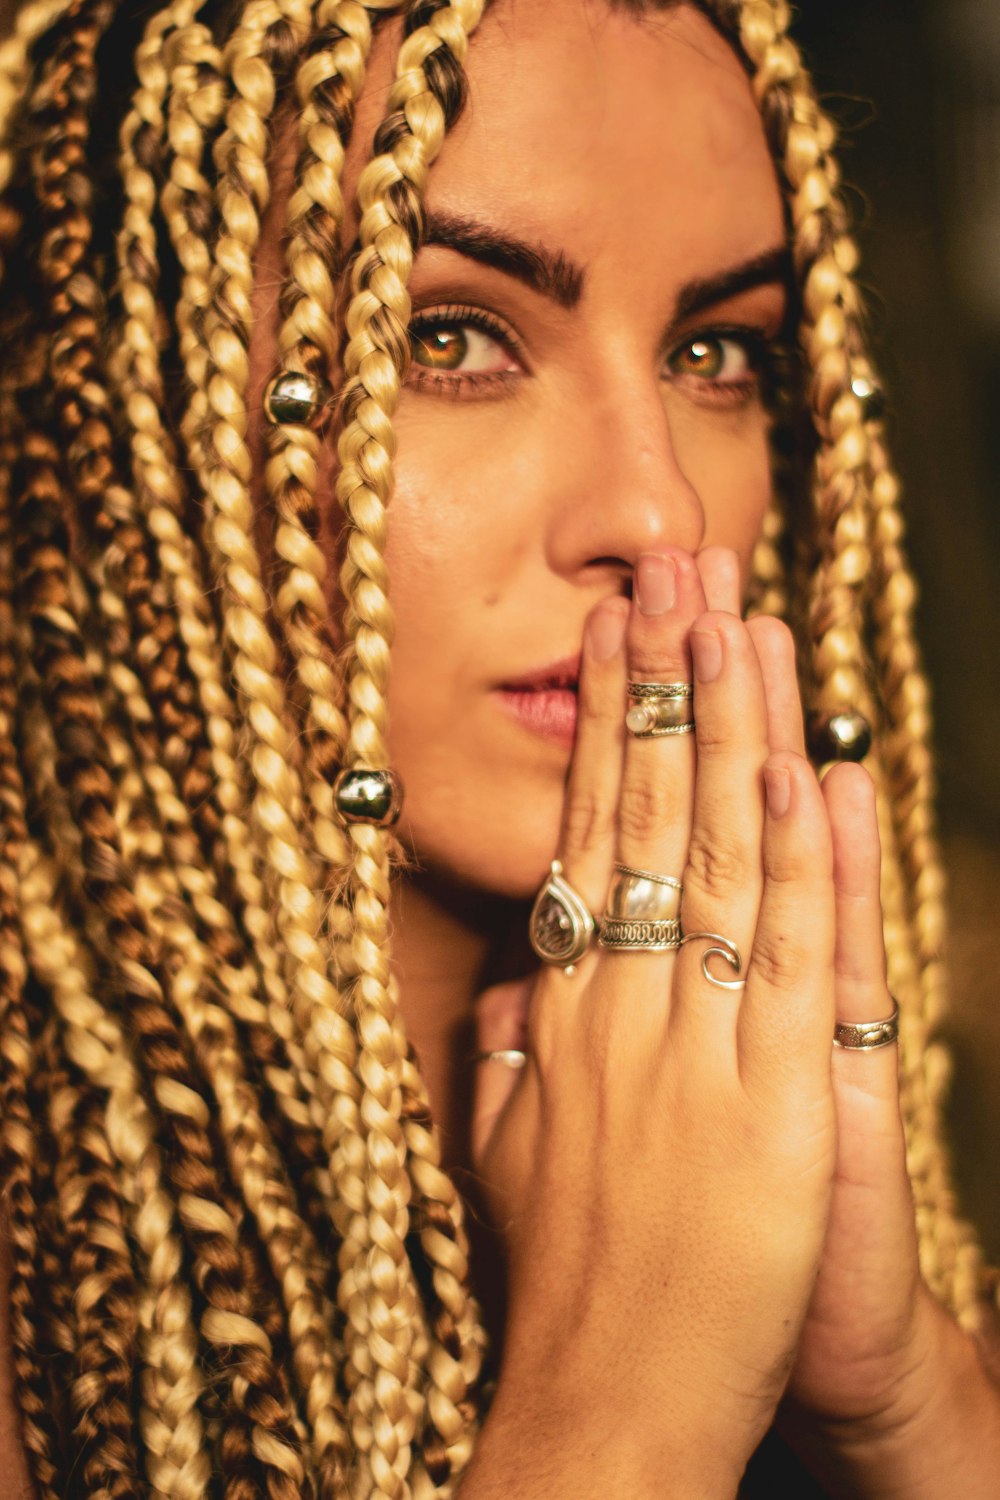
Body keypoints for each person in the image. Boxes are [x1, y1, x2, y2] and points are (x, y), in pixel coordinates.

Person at [0, 0, 996, 1496]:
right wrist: (625, 1408)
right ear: (116, 402)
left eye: (716, 355)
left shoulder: (846, 1232)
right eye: (448, 336)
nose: (657, 513)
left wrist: (912, 1405)